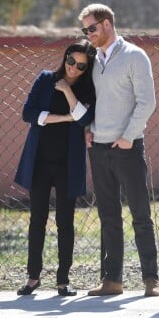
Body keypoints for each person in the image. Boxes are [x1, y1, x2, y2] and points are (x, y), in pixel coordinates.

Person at [78, 3, 159, 297]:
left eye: (91, 28)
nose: (88, 34)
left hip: (127, 147)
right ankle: (112, 281)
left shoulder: (134, 57)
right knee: (108, 216)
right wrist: (89, 130)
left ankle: (151, 280)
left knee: (140, 213)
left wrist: (128, 136)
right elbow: (95, 100)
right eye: (84, 30)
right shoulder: (94, 60)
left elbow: (146, 102)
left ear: (107, 24)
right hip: (98, 149)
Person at [14, 39, 97, 297]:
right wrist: (64, 117)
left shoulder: (87, 89)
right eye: (70, 61)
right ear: (65, 57)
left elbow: (84, 118)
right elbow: (28, 113)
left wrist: (67, 92)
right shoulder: (45, 79)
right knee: (36, 220)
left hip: (67, 165)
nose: (73, 68)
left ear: (87, 68)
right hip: (40, 162)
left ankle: (63, 280)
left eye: (80, 66)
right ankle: (33, 277)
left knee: (65, 222)